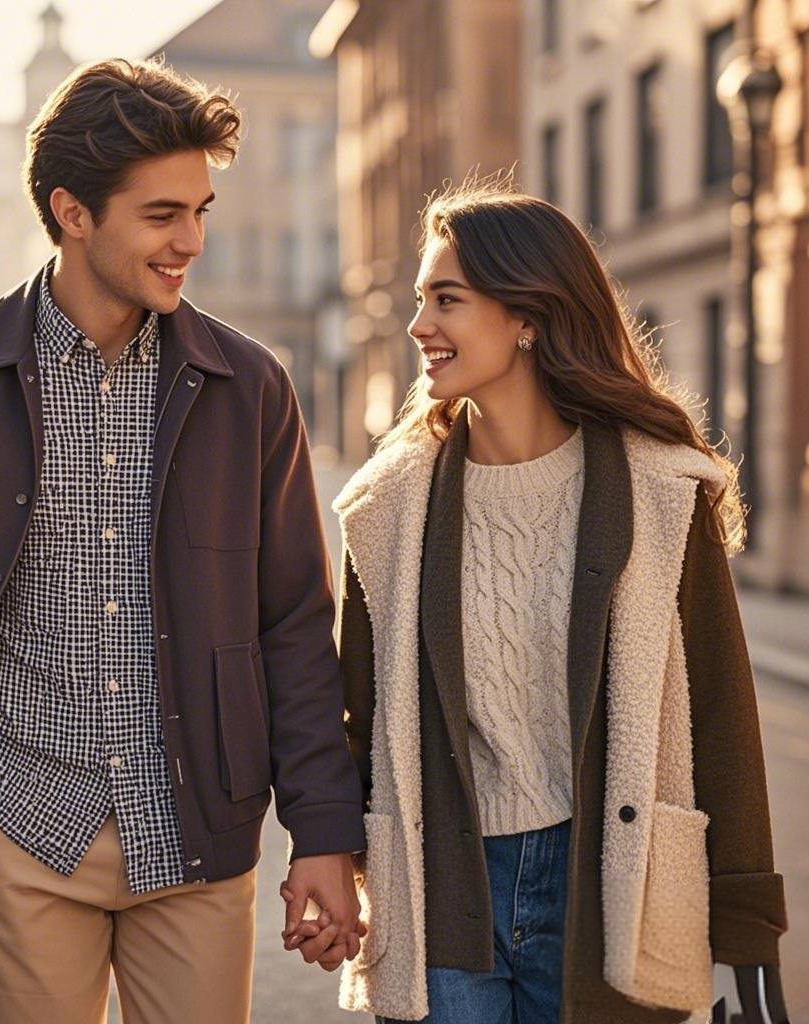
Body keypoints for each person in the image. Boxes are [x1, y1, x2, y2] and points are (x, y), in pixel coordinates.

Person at [0, 57, 365, 1024]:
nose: (191, 241)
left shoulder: (252, 389)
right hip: (19, 821)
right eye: (163, 215)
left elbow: (292, 621)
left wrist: (323, 831)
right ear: (73, 212)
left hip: (198, 833)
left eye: (200, 210)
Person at [323, 177, 789, 1023]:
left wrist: (747, 933)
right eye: (422, 299)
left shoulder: (658, 490)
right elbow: (351, 716)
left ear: (528, 316)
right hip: (443, 896)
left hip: (607, 889)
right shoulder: (387, 509)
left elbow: (721, 718)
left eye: (447, 300)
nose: (419, 326)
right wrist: (327, 858)